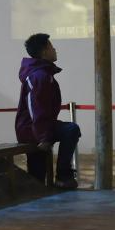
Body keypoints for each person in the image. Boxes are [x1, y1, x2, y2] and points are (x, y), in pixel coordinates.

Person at [15, 33, 81, 189]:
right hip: (32, 129)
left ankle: (47, 184)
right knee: (71, 129)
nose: (55, 50)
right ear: (44, 51)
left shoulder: (43, 74)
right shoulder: (39, 76)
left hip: (40, 127)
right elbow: (36, 108)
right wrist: (43, 137)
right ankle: (63, 177)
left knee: (37, 176)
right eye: (51, 47)